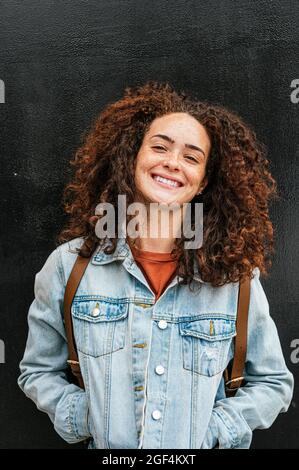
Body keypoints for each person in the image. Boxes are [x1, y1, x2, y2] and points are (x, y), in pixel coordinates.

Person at [18, 81, 294, 449]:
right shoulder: (69, 267)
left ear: (203, 182)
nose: (172, 163)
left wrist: (210, 431)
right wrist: (89, 416)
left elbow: (274, 383)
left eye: (192, 157)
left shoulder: (235, 278)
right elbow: (37, 372)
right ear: (133, 157)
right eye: (160, 147)